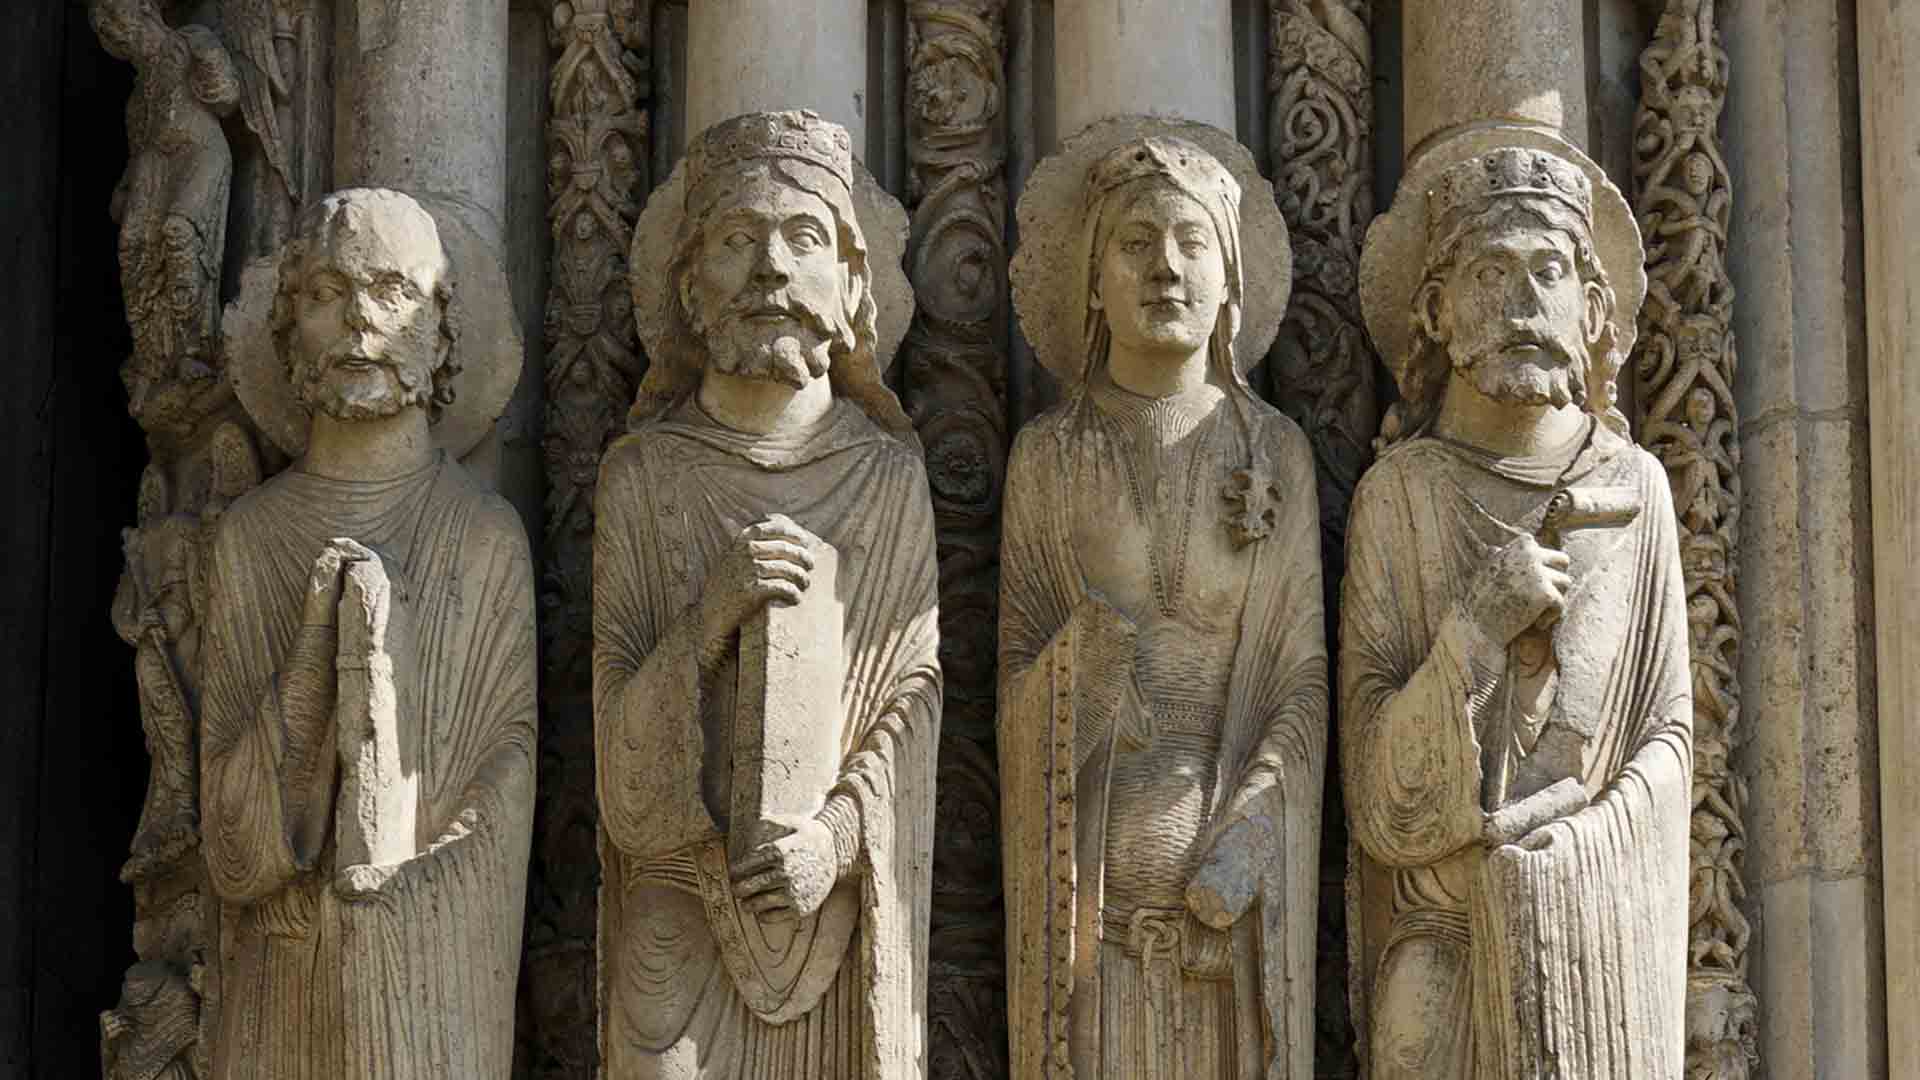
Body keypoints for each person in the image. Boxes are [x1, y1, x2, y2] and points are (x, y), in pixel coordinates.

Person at [594, 110, 941, 1079]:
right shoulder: (645, 477)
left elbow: (914, 702)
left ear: (851, 284)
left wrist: (833, 842)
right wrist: (707, 621)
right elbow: (619, 753)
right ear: (689, 287)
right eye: (739, 241)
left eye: (803, 240)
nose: (772, 272)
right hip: (681, 896)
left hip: (830, 900)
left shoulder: (884, 477)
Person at [1342, 136, 1691, 1079]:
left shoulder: (1638, 488)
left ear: (1591, 309)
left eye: (1549, 270)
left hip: (1596, 926)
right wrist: (1472, 634)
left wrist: (1575, 848)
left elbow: (1668, 739)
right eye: (1492, 271)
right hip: (1443, 931)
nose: (1525, 300)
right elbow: (1374, 790)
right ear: (1437, 312)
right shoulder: (1401, 497)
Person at [999, 126, 1326, 1079]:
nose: (1165, 268)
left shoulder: (1278, 455)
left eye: (1192, 242)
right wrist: (1077, 672)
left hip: (1233, 919)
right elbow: (1012, 687)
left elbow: (1300, 681)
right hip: (1088, 919)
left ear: (1231, 279)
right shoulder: (1048, 458)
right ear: (1093, 282)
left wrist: (1254, 832)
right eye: (1135, 244)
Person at [199, 188, 536, 1079]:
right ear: (288, 328)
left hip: (431, 987)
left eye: (393, 293)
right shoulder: (253, 537)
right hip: (277, 977)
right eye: (327, 293)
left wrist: (393, 895)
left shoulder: (483, 536)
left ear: (443, 330)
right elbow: (228, 841)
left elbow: (506, 783)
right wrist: (312, 671)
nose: (359, 320)